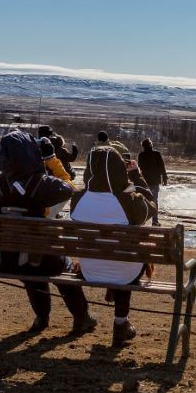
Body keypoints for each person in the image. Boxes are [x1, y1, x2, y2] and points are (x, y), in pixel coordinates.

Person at [0, 130, 96, 334]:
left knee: (33, 265)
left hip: (6, 260)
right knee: (61, 267)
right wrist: (51, 160)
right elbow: (70, 188)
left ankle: (41, 317)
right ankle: (82, 318)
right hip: (35, 260)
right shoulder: (41, 184)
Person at [71, 145, 155, 347]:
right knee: (123, 262)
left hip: (90, 268)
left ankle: (101, 316)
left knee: (116, 257)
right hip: (125, 270)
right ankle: (120, 324)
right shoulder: (127, 200)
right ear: (119, 168)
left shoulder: (78, 199)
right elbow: (152, 205)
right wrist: (136, 177)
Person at [138, 138, 167, 224]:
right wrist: (164, 178)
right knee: (154, 201)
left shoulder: (141, 155)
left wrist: (138, 180)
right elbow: (162, 167)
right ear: (151, 144)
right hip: (154, 181)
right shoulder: (157, 154)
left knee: (144, 201)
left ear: (143, 146)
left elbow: (139, 169)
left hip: (145, 182)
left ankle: (142, 221)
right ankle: (155, 221)